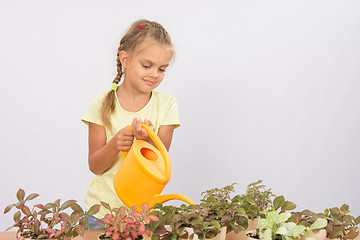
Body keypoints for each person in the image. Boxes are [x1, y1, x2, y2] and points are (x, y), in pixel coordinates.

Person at [81, 19, 180, 229]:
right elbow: (95, 166)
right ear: (124, 59)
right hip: (101, 215)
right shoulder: (101, 103)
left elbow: (161, 165)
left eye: (162, 69)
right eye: (147, 65)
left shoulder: (167, 105)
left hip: (142, 217)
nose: (154, 74)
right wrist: (115, 144)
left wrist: (147, 140)